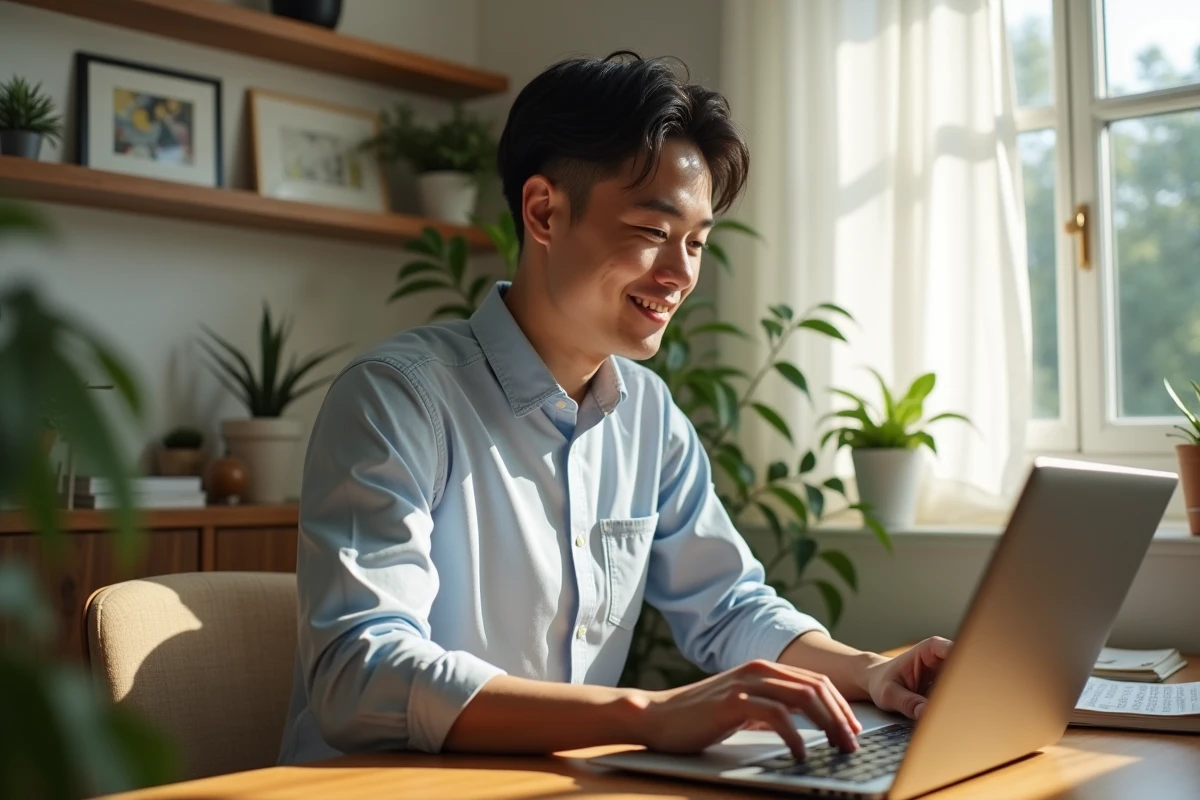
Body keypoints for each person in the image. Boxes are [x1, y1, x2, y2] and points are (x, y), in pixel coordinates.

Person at [276, 51, 950, 767]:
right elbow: (361, 674)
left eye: (696, 242)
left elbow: (728, 605)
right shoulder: (396, 397)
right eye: (655, 233)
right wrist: (647, 714)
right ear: (543, 211)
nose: (682, 274)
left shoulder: (649, 417)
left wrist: (869, 669)